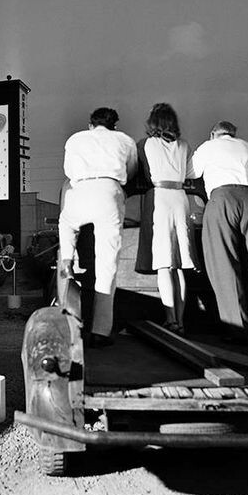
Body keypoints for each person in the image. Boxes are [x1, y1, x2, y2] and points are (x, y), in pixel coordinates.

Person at [58, 107, 138, 348]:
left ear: (91, 124)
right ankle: (101, 332)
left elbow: (68, 171)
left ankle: (68, 261)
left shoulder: (75, 139)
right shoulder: (125, 140)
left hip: (80, 190)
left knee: (67, 222)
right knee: (107, 266)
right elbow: (131, 171)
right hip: (109, 192)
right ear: (114, 125)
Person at [191, 120, 248, 344]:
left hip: (223, 197)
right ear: (234, 134)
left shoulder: (208, 146)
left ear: (213, 134)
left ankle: (236, 326)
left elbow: (190, 171)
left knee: (223, 260)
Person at [134, 103, 197, 336]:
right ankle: (180, 320)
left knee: (163, 262)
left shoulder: (146, 144)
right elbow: (191, 173)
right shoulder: (184, 145)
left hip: (158, 197)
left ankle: (170, 319)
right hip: (180, 197)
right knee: (179, 263)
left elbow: (137, 169)